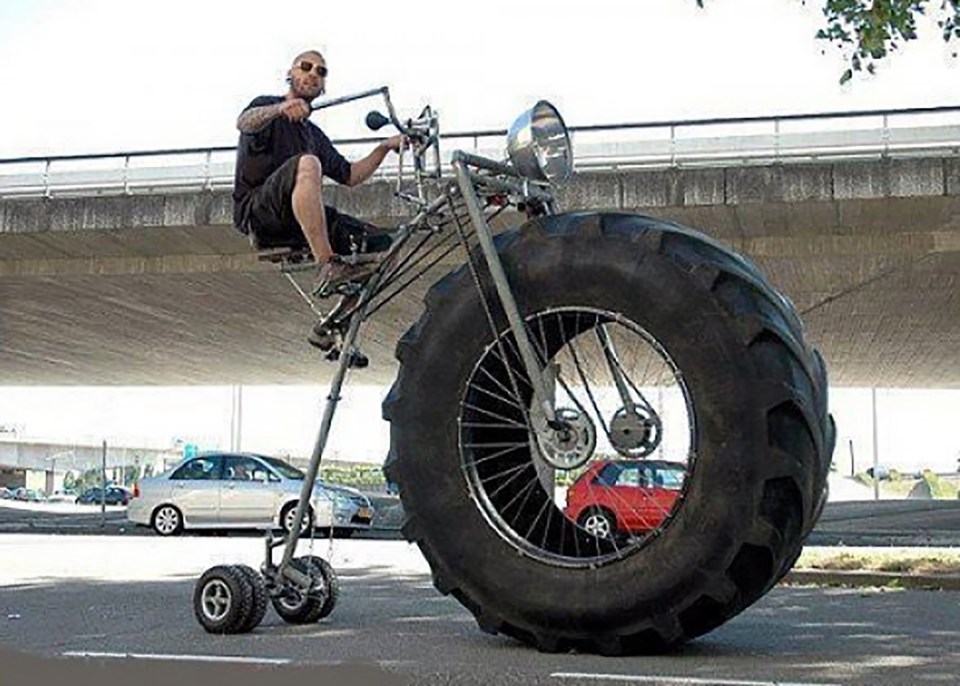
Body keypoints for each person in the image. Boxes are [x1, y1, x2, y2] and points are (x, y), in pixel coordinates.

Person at [232, 49, 404, 295]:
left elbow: (351, 175)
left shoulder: (314, 136)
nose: (313, 74)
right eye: (305, 67)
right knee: (309, 163)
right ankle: (328, 264)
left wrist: (384, 147)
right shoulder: (266, 106)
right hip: (261, 213)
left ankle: (346, 313)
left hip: (298, 223)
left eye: (320, 72)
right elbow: (244, 122)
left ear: (323, 86)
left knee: (388, 245)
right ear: (290, 74)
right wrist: (280, 109)